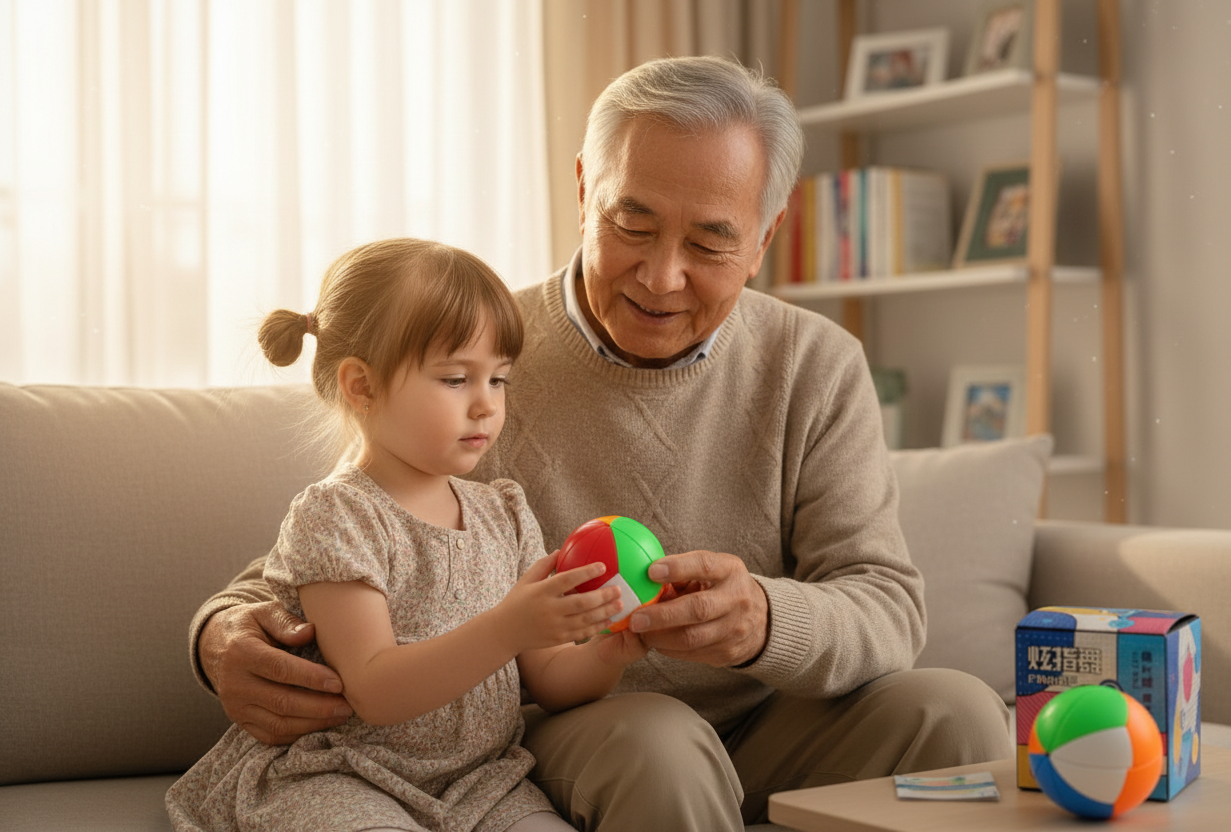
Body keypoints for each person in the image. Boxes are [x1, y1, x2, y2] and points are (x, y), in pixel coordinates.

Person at [192, 57, 1013, 830]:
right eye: (633, 222)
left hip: (770, 720)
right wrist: (218, 637)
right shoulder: (479, 356)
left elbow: (887, 605)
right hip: (583, 731)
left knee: (959, 710)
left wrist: (764, 619)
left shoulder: (816, 364)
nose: (661, 276)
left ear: (764, 238)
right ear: (585, 190)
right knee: (659, 740)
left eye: (710, 242)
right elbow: (339, 537)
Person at [167, 238, 647, 832]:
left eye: (498, 380)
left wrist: (613, 650)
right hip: (342, 774)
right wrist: (509, 626)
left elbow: (549, 678)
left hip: (482, 780)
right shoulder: (337, 516)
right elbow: (373, 688)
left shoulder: (504, 512)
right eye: (454, 379)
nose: (485, 406)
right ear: (361, 387)